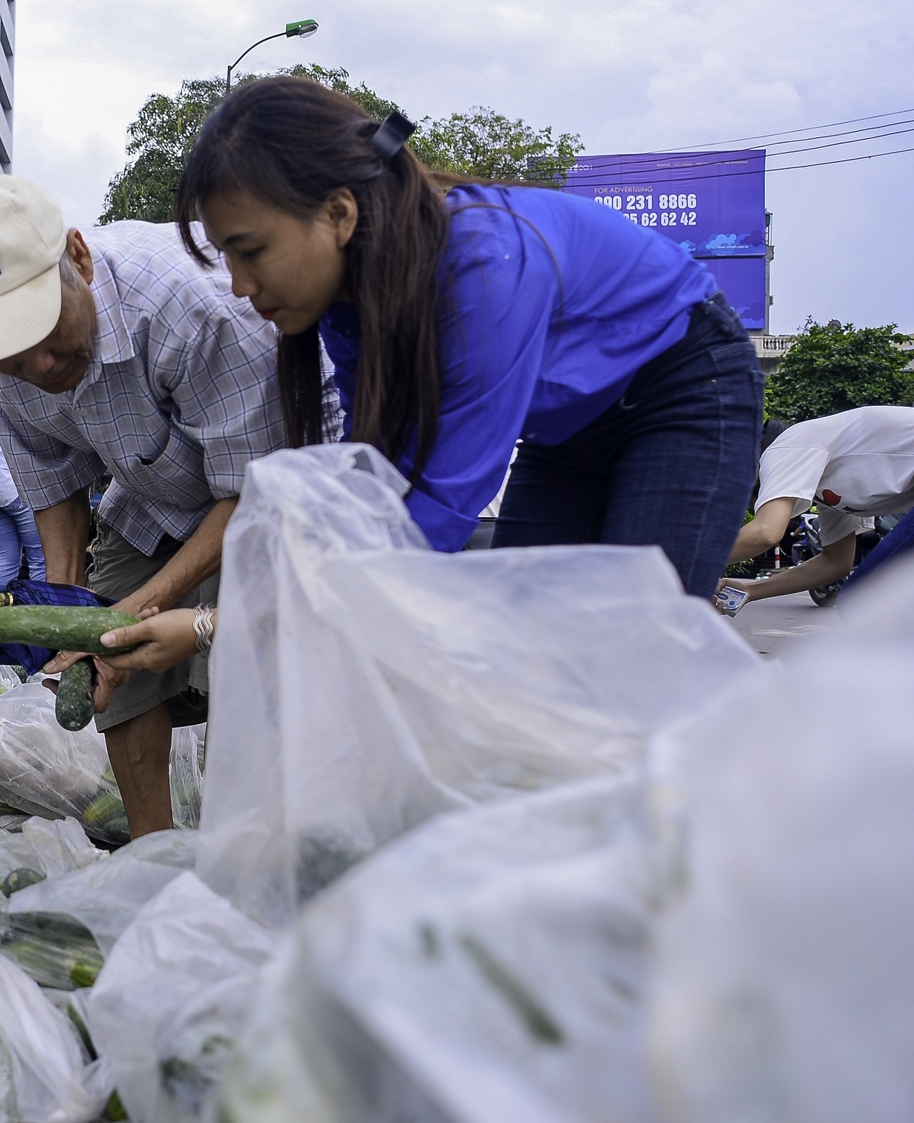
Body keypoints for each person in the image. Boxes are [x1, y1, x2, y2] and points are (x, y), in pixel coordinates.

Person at [95, 75, 765, 674]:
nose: (239, 286)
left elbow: (422, 532)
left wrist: (219, 625)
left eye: (252, 251)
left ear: (338, 213)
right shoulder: (349, 308)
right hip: (569, 431)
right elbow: (376, 492)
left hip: (683, 388)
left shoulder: (484, 269)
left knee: (632, 659)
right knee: (531, 655)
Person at [0, 174, 290, 839]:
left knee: (247, 661)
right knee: (111, 661)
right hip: (149, 493)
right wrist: (67, 613)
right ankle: (153, 851)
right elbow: (56, 487)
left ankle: (252, 848)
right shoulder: (3, 370)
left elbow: (249, 492)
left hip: (266, 490)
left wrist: (147, 607)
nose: (37, 362)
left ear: (78, 260)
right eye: (7, 351)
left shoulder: (191, 309)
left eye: (40, 328)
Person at [717, 405, 914, 607]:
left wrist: (687, 563)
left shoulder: (786, 446)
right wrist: (749, 590)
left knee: (862, 599)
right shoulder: (829, 488)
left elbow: (766, 532)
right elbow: (835, 563)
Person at [0, 398, 46, 592]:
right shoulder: (19, 399)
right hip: (19, 489)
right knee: (39, 560)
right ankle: (39, 613)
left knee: (6, 560)